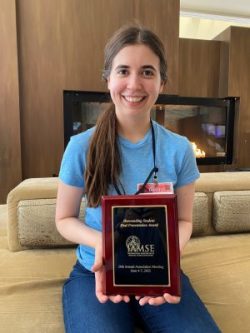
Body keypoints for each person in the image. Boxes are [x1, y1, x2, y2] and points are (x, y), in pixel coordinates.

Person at [55, 24, 221, 333]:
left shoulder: (179, 149)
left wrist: (167, 259)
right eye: (123, 71)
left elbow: (184, 221)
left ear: (162, 82)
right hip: (96, 271)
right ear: (108, 80)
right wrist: (103, 244)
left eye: (147, 71)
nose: (134, 83)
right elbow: (63, 218)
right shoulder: (81, 147)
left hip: (158, 270)